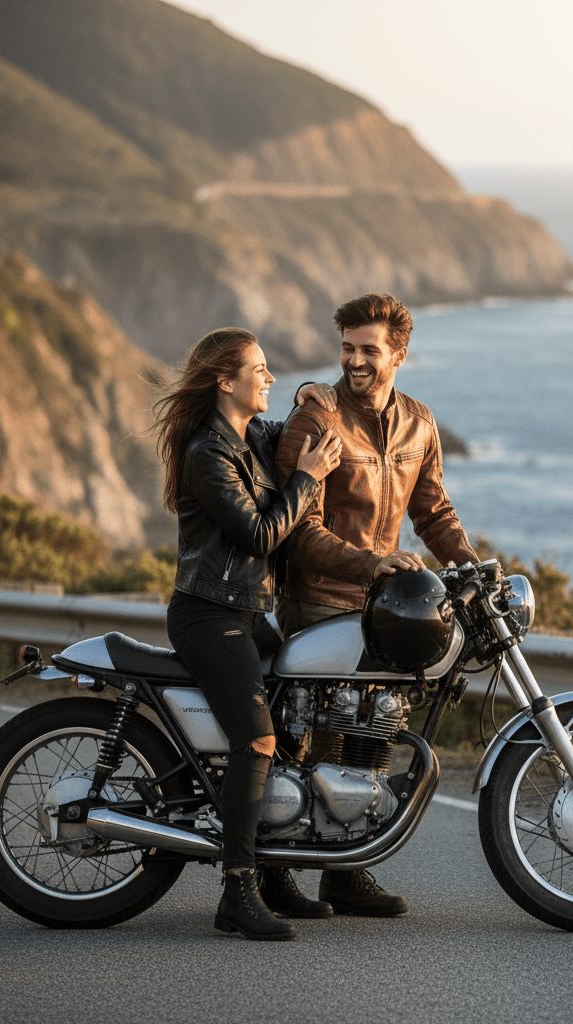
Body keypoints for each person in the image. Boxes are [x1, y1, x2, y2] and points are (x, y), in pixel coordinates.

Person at [267, 293, 478, 918]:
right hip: (318, 600)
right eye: (347, 349)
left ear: (399, 355)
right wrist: (371, 564)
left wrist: (471, 568)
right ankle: (276, 872)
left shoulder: (419, 422)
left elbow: (433, 512)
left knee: (371, 729)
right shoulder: (317, 419)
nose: (354, 361)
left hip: (383, 609)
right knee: (307, 738)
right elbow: (299, 531)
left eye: (368, 350)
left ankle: (345, 870)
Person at [153, 327, 342, 941]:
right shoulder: (208, 453)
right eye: (259, 370)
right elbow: (259, 534)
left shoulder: (252, 436)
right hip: (208, 614)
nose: (269, 377)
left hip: (246, 614)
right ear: (224, 381)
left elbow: (289, 430)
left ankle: (277, 874)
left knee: (290, 730)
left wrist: (310, 394)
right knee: (257, 740)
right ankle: (237, 890)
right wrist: (306, 481)